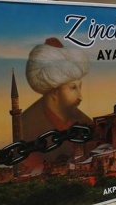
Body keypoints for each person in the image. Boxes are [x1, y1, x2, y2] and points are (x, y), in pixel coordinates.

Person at [20, 37, 93, 173]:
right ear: (54, 92)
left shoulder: (83, 120)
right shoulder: (26, 126)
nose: (80, 97)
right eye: (73, 88)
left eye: (79, 87)